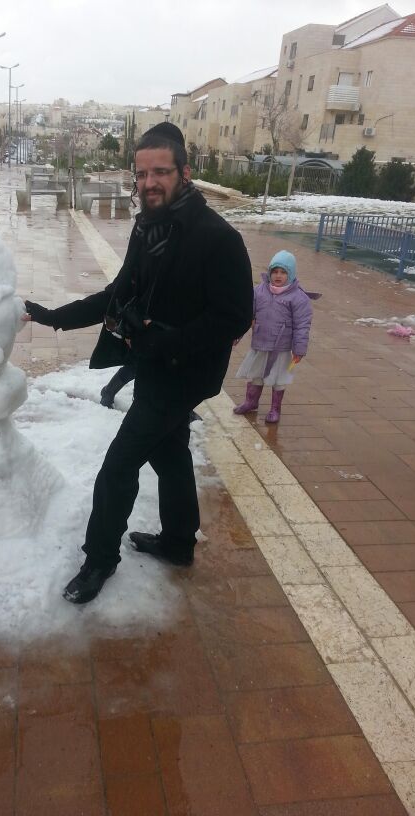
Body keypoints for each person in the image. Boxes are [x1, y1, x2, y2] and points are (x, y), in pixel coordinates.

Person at [25, 122, 253, 604]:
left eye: (161, 172)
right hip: (154, 369)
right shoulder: (147, 226)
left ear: (185, 173)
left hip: (184, 376)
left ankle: (99, 560)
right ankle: (177, 542)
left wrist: (167, 344)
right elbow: (119, 294)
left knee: (118, 465)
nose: (149, 182)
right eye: (142, 173)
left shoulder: (218, 238)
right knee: (170, 456)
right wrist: (54, 318)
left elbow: (234, 317)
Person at [233, 249, 317, 423]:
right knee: (256, 374)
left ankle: (275, 408)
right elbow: (247, 315)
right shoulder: (259, 291)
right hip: (260, 343)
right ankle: (251, 401)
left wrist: (299, 348)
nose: (278, 276)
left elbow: (302, 325)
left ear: (291, 274)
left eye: (283, 272)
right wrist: (237, 333)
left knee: (278, 379)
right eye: (275, 271)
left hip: (282, 348)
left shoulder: (298, 298)